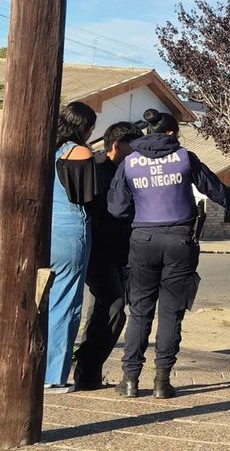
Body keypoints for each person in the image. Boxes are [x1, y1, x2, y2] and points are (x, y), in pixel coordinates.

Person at [108, 109, 230, 399]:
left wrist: (141, 214)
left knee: (140, 312)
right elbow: (215, 188)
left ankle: (130, 380)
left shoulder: (129, 162)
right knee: (171, 312)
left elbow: (116, 208)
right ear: (170, 133)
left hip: (142, 239)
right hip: (180, 240)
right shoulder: (185, 158)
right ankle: (162, 382)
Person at [73, 122, 143, 390]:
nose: (138, 152)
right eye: (132, 146)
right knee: (114, 307)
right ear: (117, 145)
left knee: (106, 310)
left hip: (123, 252)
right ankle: (86, 368)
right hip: (98, 250)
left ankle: (88, 373)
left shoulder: (131, 170)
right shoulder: (97, 169)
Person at [46, 102, 98, 393]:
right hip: (70, 231)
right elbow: (88, 198)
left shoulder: (46, 149)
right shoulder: (79, 152)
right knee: (65, 303)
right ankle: (53, 374)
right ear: (85, 127)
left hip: (42, 230)